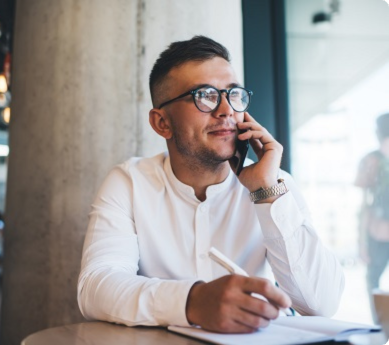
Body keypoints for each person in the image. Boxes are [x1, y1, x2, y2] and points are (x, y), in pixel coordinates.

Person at [78, 36, 345, 333]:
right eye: (204, 95)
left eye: (233, 95)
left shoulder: (274, 184)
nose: (226, 110)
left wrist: (266, 192)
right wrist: (192, 301)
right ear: (161, 123)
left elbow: (321, 303)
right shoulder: (129, 182)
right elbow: (96, 288)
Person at [355, 113, 389, 323]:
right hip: (378, 232)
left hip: (377, 232)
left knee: (373, 282)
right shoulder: (372, 159)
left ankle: (381, 329)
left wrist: (362, 241)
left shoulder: (371, 159)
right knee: (373, 280)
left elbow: (364, 204)